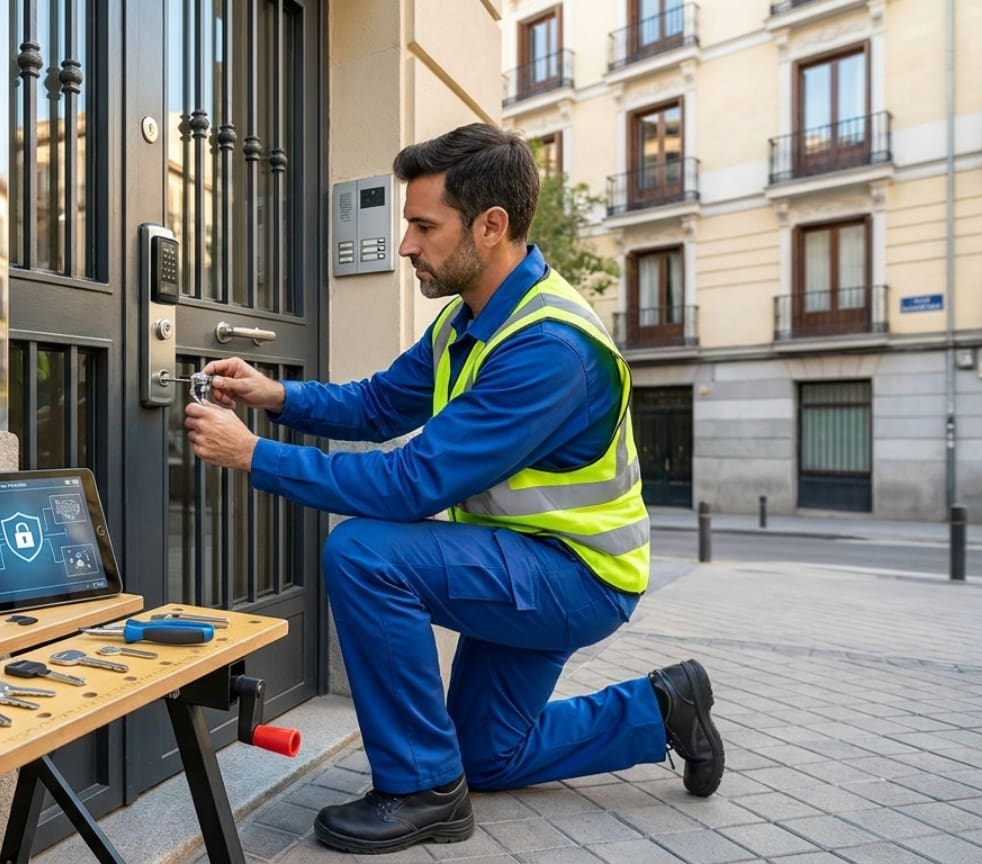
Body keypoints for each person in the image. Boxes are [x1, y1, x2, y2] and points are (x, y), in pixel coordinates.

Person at [182, 123, 724, 856]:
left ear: (491, 226)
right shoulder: (467, 322)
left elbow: (412, 484)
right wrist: (277, 396)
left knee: (365, 554)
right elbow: (379, 404)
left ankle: (421, 791)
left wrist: (253, 456)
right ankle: (662, 709)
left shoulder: (549, 349)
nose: (407, 244)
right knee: (487, 756)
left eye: (424, 226)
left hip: (576, 578)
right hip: (523, 562)